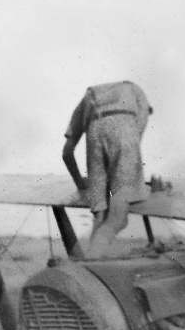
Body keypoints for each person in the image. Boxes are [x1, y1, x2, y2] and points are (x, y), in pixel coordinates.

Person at [61, 80, 152, 257]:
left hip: (93, 134)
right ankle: (94, 258)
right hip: (124, 134)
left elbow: (66, 153)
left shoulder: (88, 96)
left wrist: (80, 183)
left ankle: (89, 263)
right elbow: (133, 138)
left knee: (99, 215)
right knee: (118, 218)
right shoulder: (136, 91)